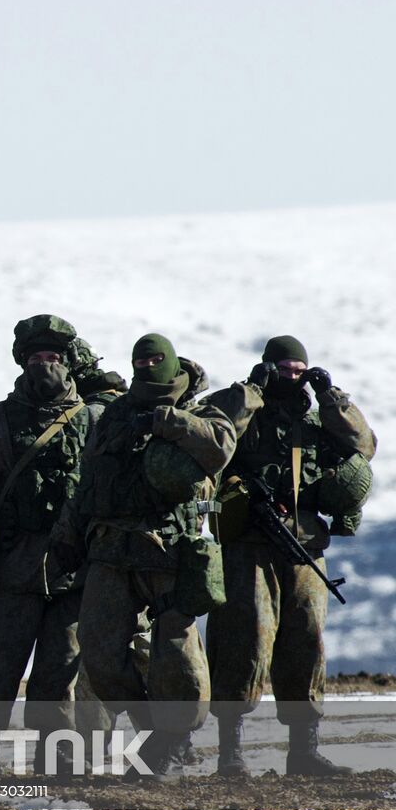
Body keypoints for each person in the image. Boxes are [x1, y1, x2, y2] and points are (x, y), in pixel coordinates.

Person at [52, 334, 238, 780]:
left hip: (172, 550)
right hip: (110, 550)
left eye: (157, 360)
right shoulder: (115, 414)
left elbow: (221, 447)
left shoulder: (200, 410)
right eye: (141, 360)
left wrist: (169, 423)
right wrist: (65, 540)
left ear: (172, 364)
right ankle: (155, 733)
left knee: (177, 656)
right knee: (99, 653)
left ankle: (173, 744)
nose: (148, 366)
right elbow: (87, 480)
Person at [205, 336, 377, 776]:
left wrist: (332, 397)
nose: (292, 378)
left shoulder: (318, 419)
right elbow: (209, 438)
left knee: (305, 641)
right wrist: (249, 392)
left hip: (304, 546)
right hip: (248, 544)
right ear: (267, 368)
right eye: (284, 369)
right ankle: (231, 754)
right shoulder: (244, 411)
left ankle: (303, 751)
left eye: (300, 371)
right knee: (244, 639)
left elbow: (364, 445)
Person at [0, 315, 101, 774]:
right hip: (10, 566)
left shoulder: (97, 420)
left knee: (60, 674)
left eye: (53, 357)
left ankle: (55, 761)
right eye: (35, 357)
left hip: (75, 570)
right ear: (21, 361)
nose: (44, 366)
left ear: (70, 362)